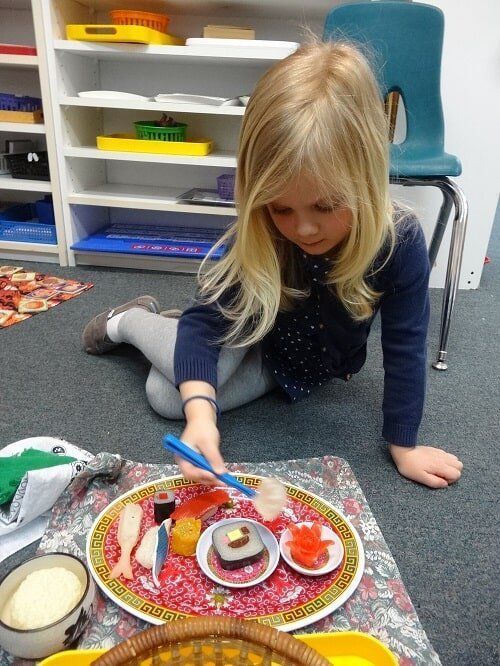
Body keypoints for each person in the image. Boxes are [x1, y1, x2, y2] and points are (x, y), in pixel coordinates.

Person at [83, 41, 463, 489]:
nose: (303, 229)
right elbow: (207, 323)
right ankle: (128, 321)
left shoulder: (400, 241)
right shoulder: (263, 234)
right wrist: (202, 417)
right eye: (282, 210)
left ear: (366, 177)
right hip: (250, 323)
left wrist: (405, 443)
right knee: (186, 394)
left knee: (166, 395)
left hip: (284, 364)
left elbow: (406, 346)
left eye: (326, 205)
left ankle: (164, 326)